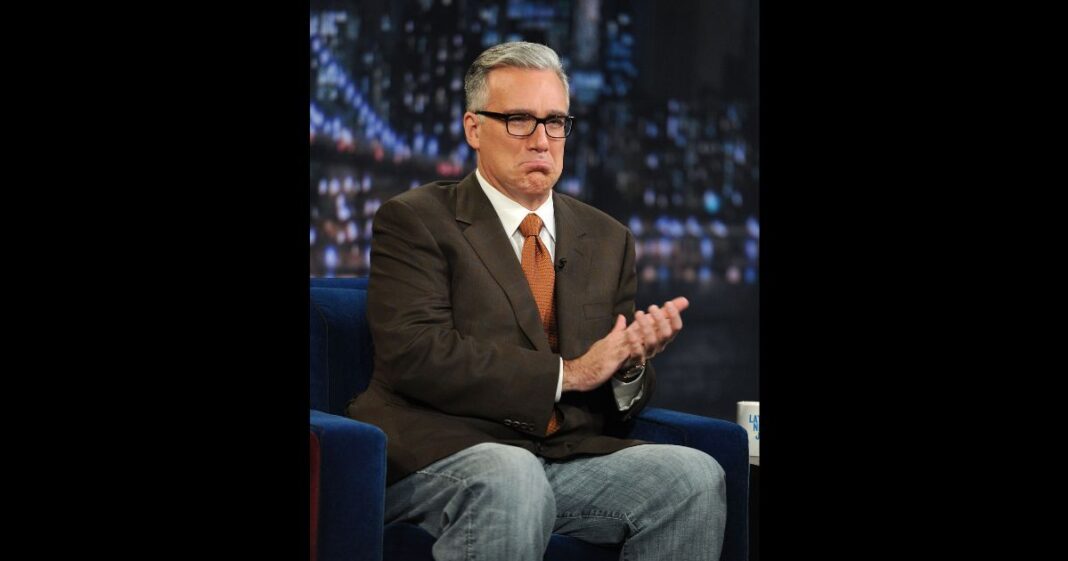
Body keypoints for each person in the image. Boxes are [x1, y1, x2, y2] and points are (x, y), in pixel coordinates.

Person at [347, 41, 726, 561]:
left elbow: (617, 404)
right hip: (443, 451)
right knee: (512, 475)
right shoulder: (415, 220)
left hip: (564, 454)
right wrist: (569, 373)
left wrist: (629, 364)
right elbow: (415, 354)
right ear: (474, 128)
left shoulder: (608, 238)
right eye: (520, 120)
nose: (542, 141)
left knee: (694, 475)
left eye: (555, 122)